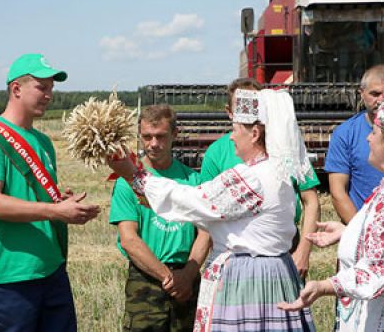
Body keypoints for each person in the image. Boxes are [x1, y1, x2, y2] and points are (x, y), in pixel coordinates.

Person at [108, 87, 316, 331]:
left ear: (255, 134)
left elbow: (193, 201)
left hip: (249, 281)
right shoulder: (278, 171)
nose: (231, 137)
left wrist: (135, 176)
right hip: (277, 274)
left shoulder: (252, 178)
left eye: (236, 130)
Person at [278, 83, 384, 331]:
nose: (368, 137)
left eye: (374, 132)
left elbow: (382, 268)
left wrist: (325, 286)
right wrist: (350, 232)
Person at [0, 53, 100, 332]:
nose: (49, 95)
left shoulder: (42, 141)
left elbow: (34, 196)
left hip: (51, 268)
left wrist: (63, 202)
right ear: (16, 89)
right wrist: (56, 211)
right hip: (11, 277)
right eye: (42, 87)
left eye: (51, 88)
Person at [200, 78, 321, 278]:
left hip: (283, 245)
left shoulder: (287, 149)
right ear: (229, 112)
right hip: (236, 250)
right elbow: (207, 212)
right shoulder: (216, 153)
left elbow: (311, 201)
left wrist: (303, 252)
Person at [109, 104, 210, 331]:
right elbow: (129, 239)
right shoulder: (126, 181)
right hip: (146, 279)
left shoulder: (193, 179)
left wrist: (188, 275)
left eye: (161, 136)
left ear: (175, 134)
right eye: (147, 137)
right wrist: (169, 277)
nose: (153, 144)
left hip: (187, 274)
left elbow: (205, 232)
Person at [325, 65, 384, 224]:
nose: (380, 100)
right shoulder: (345, 134)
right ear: (362, 94)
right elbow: (338, 192)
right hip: (363, 224)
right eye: (375, 94)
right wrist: (358, 232)